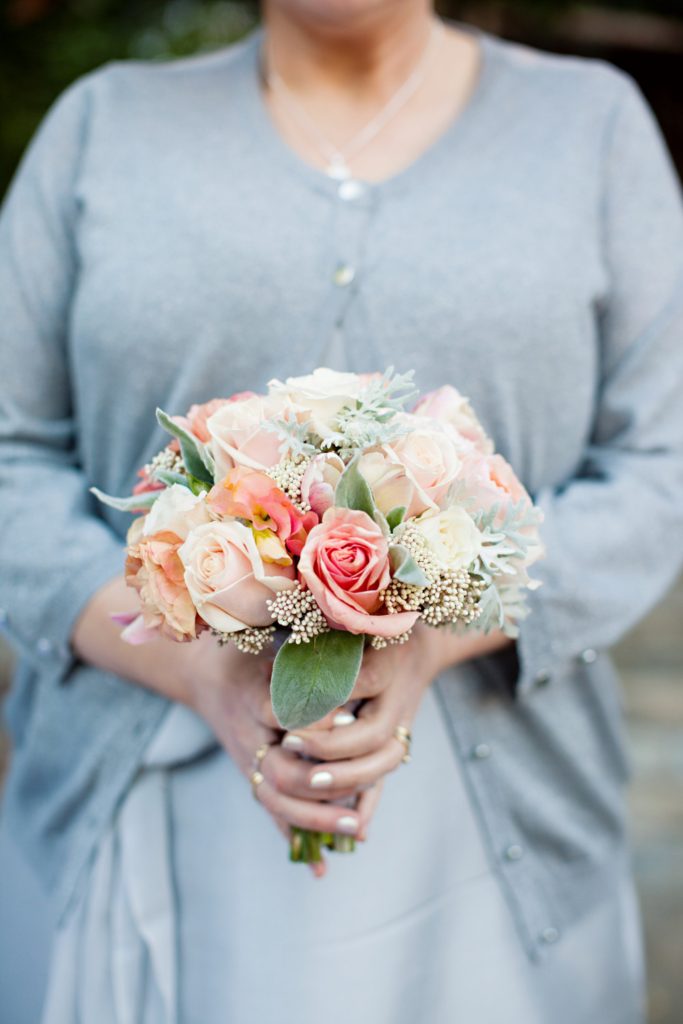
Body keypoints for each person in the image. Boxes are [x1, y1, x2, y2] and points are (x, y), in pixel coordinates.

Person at [1, 1, 682, 1020]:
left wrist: (438, 635)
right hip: (136, 813)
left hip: (500, 853)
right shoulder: (104, 124)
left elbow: (657, 465)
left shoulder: (592, 126)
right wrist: (190, 661)